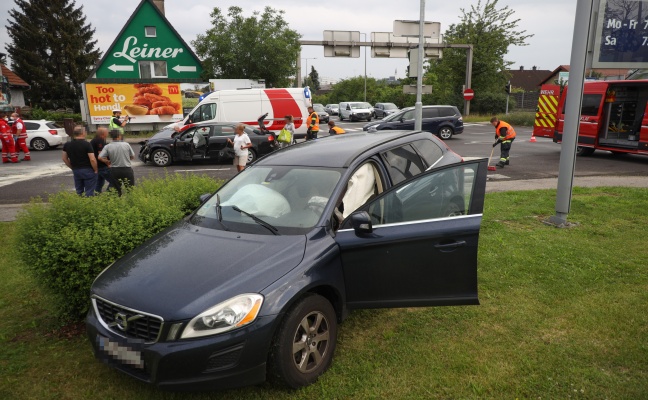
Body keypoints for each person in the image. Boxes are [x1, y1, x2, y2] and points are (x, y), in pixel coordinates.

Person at [62, 125, 98, 196]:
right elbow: (92, 159)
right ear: (83, 133)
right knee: (89, 191)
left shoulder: (67, 144)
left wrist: (72, 167)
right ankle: (89, 204)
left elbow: (64, 158)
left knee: (79, 190)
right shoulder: (87, 144)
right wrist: (95, 169)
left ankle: (80, 203)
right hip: (88, 170)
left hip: (76, 170)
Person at [98, 130, 135, 196]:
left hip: (115, 170)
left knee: (116, 189)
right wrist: (126, 159)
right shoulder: (126, 144)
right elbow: (132, 156)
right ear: (119, 136)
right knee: (130, 188)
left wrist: (107, 161)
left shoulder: (108, 146)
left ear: (111, 137)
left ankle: (117, 202)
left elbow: (100, 157)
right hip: (127, 169)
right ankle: (131, 202)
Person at [90, 127, 115, 193]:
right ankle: (108, 195)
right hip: (102, 166)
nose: (108, 133)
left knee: (99, 183)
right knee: (114, 181)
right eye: (107, 132)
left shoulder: (95, 140)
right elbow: (101, 154)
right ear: (103, 133)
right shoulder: (99, 140)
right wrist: (108, 164)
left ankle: (96, 197)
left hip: (97, 166)